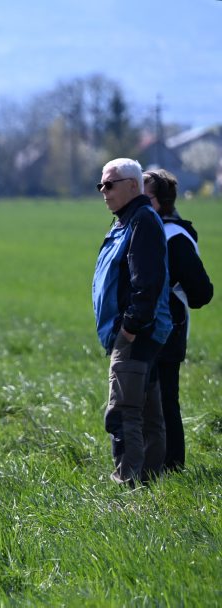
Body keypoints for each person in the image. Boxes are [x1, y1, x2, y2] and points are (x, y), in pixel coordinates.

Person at [91, 158, 171, 486]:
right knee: (149, 412)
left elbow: (146, 281)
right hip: (138, 332)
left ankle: (128, 486)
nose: (103, 191)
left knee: (124, 413)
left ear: (133, 186)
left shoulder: (142, 222)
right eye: (100, 185)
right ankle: (151, 485)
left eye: (109, 184)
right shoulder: (128, 220)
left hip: (136, 334)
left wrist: (130, 327)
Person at [142, 168, 214, 472]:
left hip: (168, 327)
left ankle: (172, 467)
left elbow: (201, 292)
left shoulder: (174, 237)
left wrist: (169, 293)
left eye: (142, 195)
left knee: (164, 398)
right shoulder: (142, 229)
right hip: (141, 326)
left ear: (158, 201)